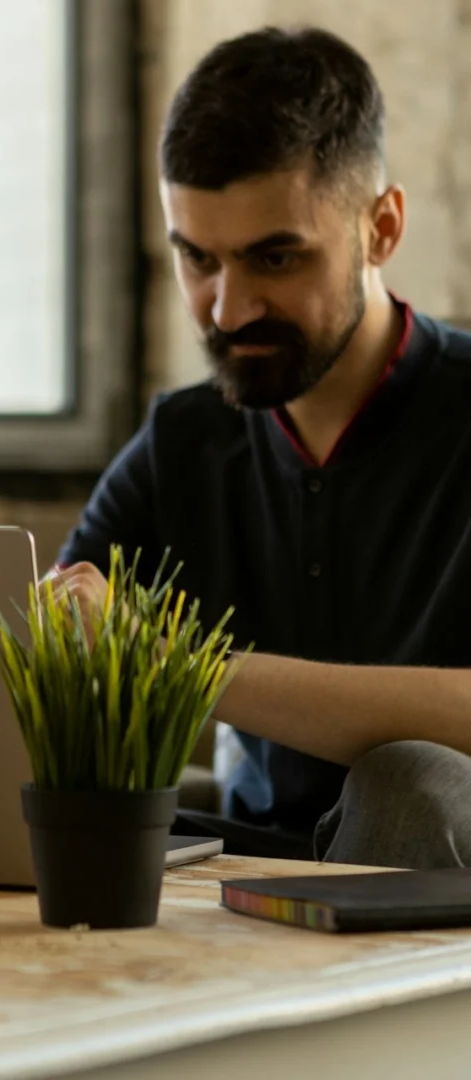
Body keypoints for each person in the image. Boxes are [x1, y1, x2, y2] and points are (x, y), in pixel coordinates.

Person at [48, 27, 471, 870]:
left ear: (380, 229)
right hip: (232, 887)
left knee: (407, 782)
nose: (227, 309)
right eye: (196, 259)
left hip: (434, 902)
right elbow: (56, 651)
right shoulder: (181, 444)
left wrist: (178, 667)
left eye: (275, 257)